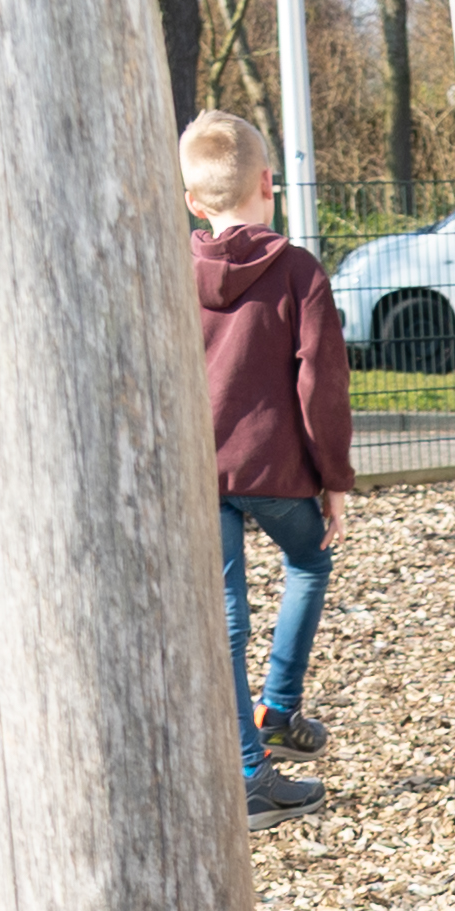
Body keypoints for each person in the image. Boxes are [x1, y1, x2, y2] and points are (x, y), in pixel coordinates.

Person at [180, 110, 352, 815]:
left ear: (194, 200)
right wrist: (334, 479)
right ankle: (278, 711)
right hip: (272, 471)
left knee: (224, 619)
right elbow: (321, 385)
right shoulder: (296, 270)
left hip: (196, 469)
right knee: (309, 562)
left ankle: (250, 770)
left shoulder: (169, 270)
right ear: (267, 183)